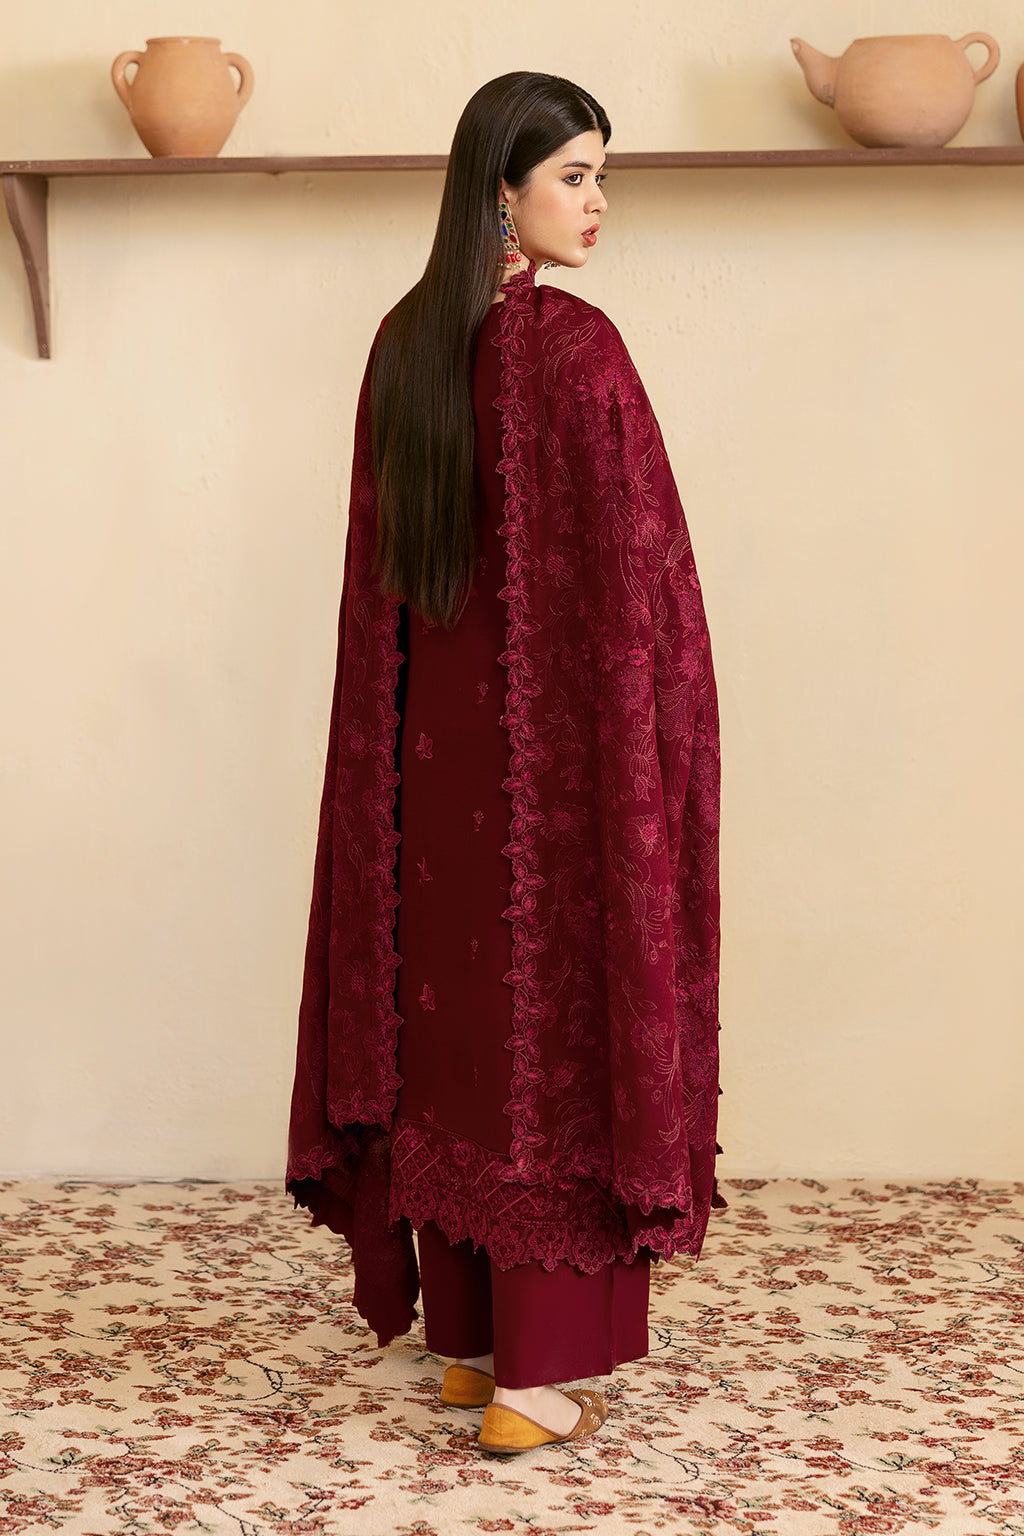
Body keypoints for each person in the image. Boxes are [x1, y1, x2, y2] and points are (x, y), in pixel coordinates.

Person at [286, 71, 721, 1454]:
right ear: (502, 192)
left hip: (428, 786)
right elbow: (643, 579)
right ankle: (535, 1381)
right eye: (574, 176)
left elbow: (383, 597)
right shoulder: (576, 351)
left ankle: (470, 1348)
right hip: (558, 784)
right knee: (555, 1052)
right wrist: (659, 742)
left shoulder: (406, 342)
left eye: (601, 175)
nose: (598, 204)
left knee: (458, 1046)